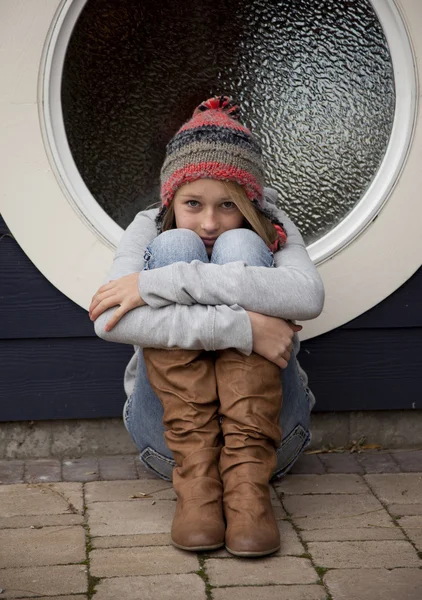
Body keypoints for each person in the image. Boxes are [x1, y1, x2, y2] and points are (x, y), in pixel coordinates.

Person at [90, 96, 324, 557]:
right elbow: (109, 323)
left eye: (230, 204)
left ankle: (247, 495)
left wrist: (165, 282)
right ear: (169, 197)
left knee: (242, 244)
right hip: (170, 448)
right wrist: (245, 329)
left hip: (274, 443)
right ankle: (197, 490)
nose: (210, 222)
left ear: (250, 200)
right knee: (176, 244)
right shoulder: (148, 226)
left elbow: (308, 296)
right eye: (192, 203)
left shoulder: (271, 220)